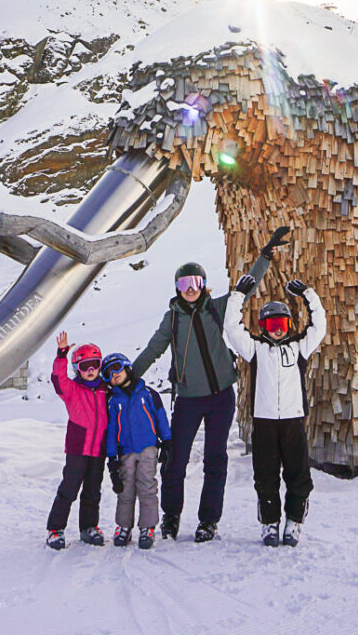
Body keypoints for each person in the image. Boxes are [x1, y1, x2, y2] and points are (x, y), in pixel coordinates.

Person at [131, 226, 290, 543]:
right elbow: (152, 350)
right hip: (188, 399)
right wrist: (128, 378)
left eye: (196, 283)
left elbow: (247, 288)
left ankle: (208, 521)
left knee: (215, 460)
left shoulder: (217, 308)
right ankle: (171, 516)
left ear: (204, 286)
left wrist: (265, 256)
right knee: (176, 460)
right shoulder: (172, 318)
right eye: (184, 284)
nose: (190, 289)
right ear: (177, 288)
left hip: (220, 398)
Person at [224, 276, 326, 547]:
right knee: (265, 475)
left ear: (289, 325)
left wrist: (308, 294)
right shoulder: (256, 349)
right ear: (263, 327)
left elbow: (319, 326)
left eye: (282, 325)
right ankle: (269, 524)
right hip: (265, 422)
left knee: (298, 474)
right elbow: (232, 329)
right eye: (272, 325)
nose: (278, 330)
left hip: (293, 421)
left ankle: (294, 522)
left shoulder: (298, 348)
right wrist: (238, 296)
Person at [102, 351, 172, 550]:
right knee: (125, 490)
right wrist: (111, 457)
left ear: (127, 368)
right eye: (108, 374)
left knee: (147, 486)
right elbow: (111, 431)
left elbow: (160, 417)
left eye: (117, 369)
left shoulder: (148, 393)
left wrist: (166, 441)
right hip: (126, 452)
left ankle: (147, 527)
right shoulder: (113, 401)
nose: (114, 375)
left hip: (148, 448)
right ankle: (124, 526)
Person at [46, 331, 108, 550]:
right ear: (76, 369)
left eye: (94, 364)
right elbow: (58, 379)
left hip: (99, 449)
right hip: (78, 448)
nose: (90, 370)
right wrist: (62, 355)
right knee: (69, 488)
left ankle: (89, 527)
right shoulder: (72, 390)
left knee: (93, 490)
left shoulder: (106, 390)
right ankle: (55, 529)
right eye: (84, 366)